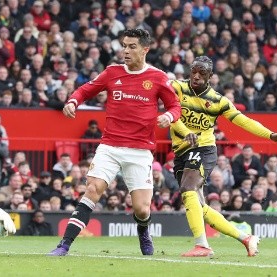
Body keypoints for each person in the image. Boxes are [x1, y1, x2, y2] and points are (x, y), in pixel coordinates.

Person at [49, 29, 182, 256]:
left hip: (140, 151)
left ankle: (143, 230)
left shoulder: (158, 77)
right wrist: (72, 101)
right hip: (110, 146)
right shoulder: (112, 72)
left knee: (141, 209)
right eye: (124, 45)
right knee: (92, 189)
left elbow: (175, 106)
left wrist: (168, 117)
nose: (126, 51)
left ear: (145, 49)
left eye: (132, 46)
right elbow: (85, 90)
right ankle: (64, 245)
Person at [169, 56, 277, 257]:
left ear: (210, 76)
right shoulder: (177, 88)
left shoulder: (218, 101)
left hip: (203, 149)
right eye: (194, 72)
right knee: (198, 206)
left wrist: (270, 134)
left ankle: (202, 246)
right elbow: (171, 115)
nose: (196, 76)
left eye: (202, 73)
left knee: (188, 188)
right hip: (181, 151)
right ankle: (247, 238)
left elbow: (243, 121)